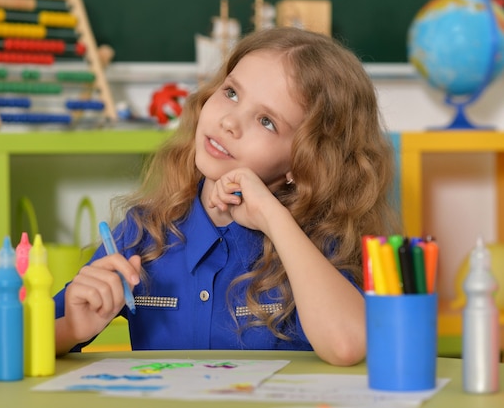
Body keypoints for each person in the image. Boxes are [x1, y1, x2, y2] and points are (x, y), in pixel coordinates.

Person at [54, 26, 399, 366]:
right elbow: (24, 342)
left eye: (266, 121)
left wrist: (272, 218)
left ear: (305, 162)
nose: (231, 122)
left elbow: (347, 344)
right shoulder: (145, 232)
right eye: (232, 93)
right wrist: (70, 327)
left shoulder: (314, 246)